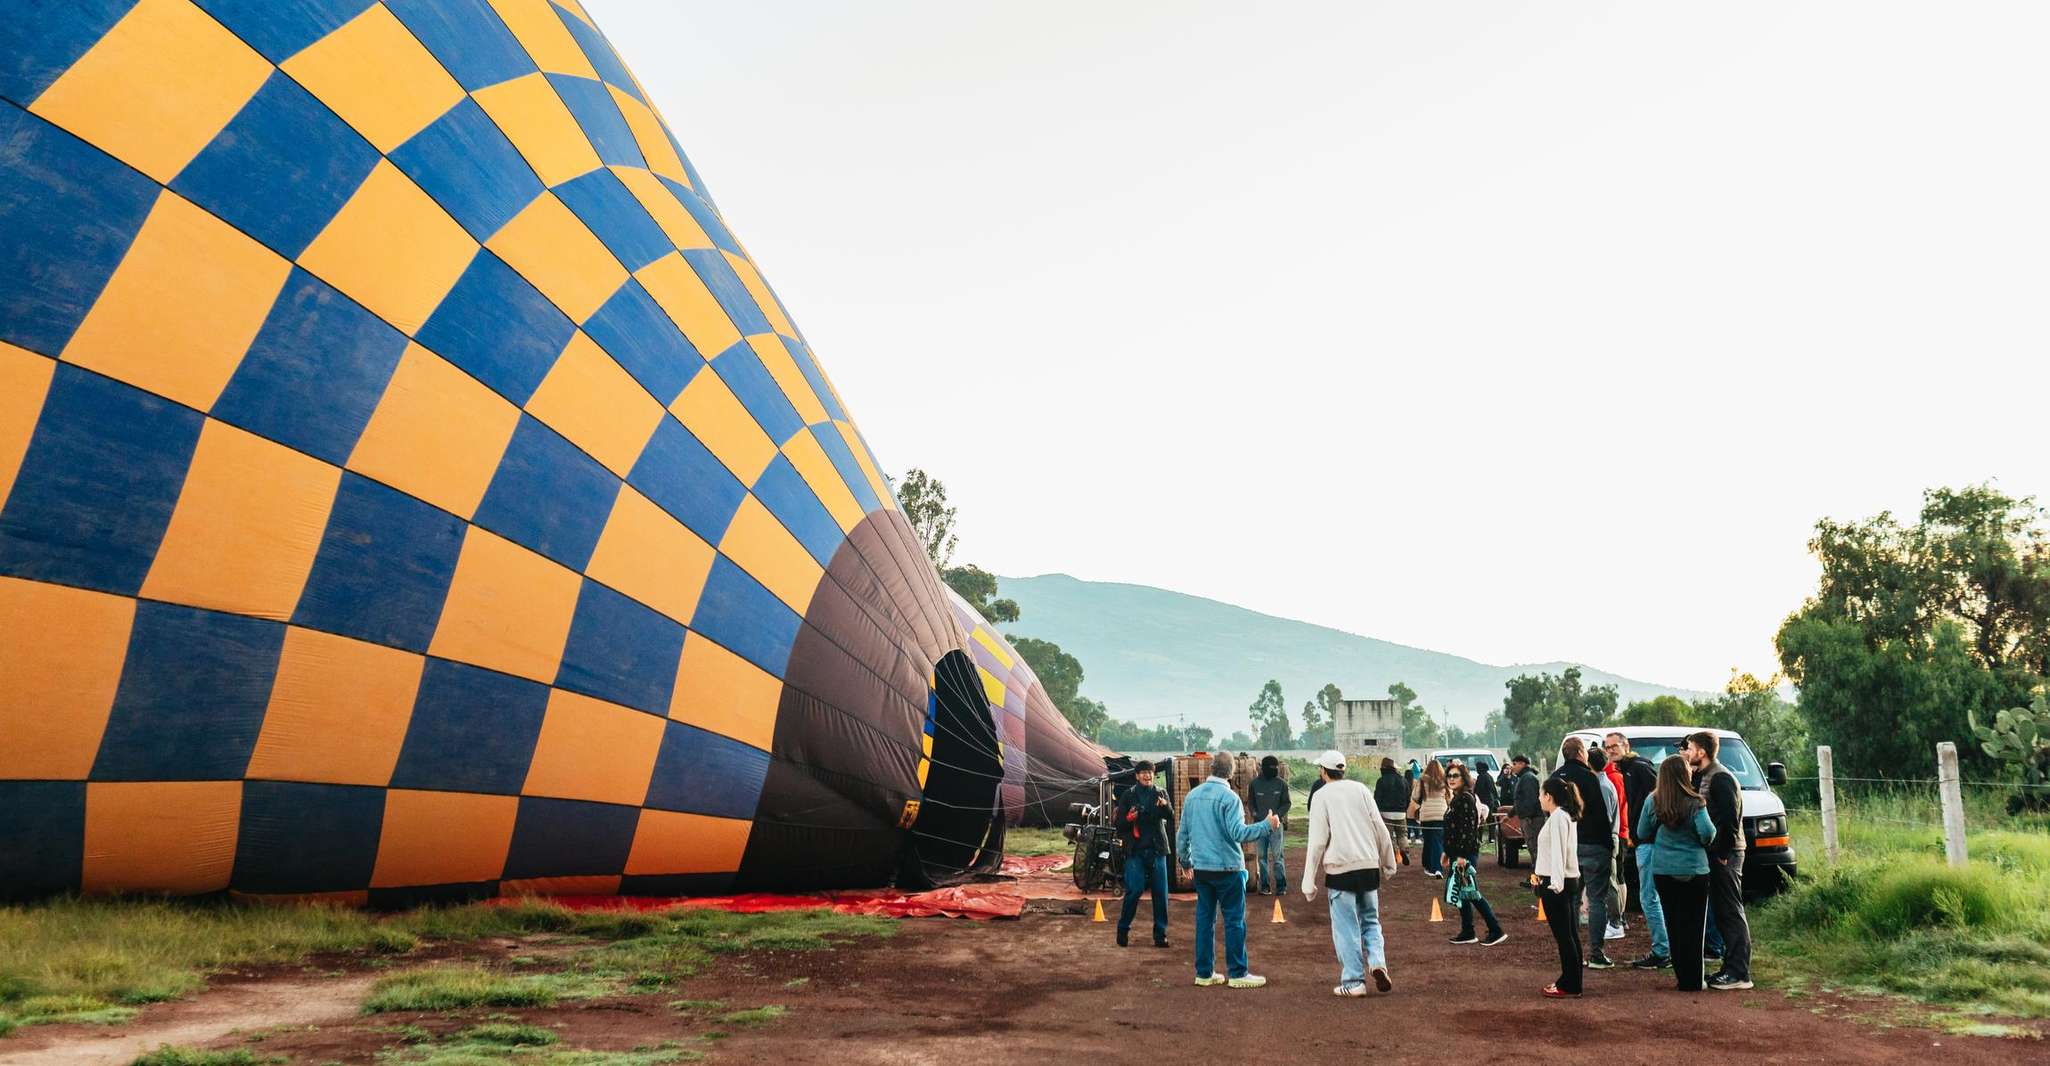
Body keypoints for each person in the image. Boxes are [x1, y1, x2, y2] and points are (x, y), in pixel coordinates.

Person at [1301, 750, 1400, 997]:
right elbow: (1380, 828)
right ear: (1342, 770)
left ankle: (1354, 980)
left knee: (1346, 927)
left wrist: (1308, 881)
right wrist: (1389, 863)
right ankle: (1377, 961)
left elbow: (1317, 842)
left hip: (1340, 870)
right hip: (1368, 866)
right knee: (1370, 921)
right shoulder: (1361, 789)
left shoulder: (1321, 796)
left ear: (1323, 771)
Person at [1177, 751, 1280, 988]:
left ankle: (1204, 972)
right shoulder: (1230, 798)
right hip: (1228, 869)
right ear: (1231, 772)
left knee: (1205, 920)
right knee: (1234, 920)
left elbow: (1182, 834)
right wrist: (1267, 825)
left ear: (1211, 768)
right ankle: (1237, 972)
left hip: (1202, 869)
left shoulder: (1192, 797)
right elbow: (1239, 833)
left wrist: (1185, 862)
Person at [1638, 754, 1716, 991]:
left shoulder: (1654, 801)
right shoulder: (1696, 802)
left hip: (1664, 869)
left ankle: (1682, 977)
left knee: (1674, 923)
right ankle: (1694, 980)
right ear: (1685, 774)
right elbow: (1708, 833)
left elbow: (1642, 831)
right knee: (1695, 926)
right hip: (1695, 868)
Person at [1682, 731, 1753, 990]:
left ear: (1701, 751)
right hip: (1716, 853)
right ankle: (1730, 967)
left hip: (1728, 854)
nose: (1687, 752)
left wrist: (1722, 854)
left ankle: (1739, 973)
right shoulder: (1704, 776)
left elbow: (1730, 819)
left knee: (1730, 911)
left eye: (1689, 748)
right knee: (1722, 912)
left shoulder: (1721, 777)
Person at [1551, 738, 1616, 968]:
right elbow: (1600, 815)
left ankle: (1572, 951)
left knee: (1570, 899)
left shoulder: (1554, 778)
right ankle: (1596, 953)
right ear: (1580, 753)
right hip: (1593, 845)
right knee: (1597, 899)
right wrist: (1608, 845)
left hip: (1568, 846)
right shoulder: (1589, 777)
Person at [1605, 733, 1667, 970]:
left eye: (1615, 746)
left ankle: (1662, 951)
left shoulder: (1639, 767)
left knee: (1649, 898)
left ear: (1626, 746)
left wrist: (1646, 829)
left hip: (1649, 842)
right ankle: (1664, 948)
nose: (1611, 750)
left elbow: (1660, 797)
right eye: (1607, 747)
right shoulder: (1627, 769)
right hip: (1641, 840)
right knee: (1650, 897)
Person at [1440, 763, 1507, 946]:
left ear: (1464, 778)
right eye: (1449, 776)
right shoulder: (1457, 798)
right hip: (1458, 853)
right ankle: (1468, 931)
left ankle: (1496, 929)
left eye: (1456, 776)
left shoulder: (1466, 799)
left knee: (1472, 893)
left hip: (1466, 854)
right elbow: (1453, 830)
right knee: (1463, 894)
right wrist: (1448, 851)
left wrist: (1461, 856)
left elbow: (1468, 830)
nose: (1451, 779)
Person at [1113, 760, 1172, 948]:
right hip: (1136, 851)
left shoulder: (1161, 792)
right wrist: (1129, 819)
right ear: (1137, 775)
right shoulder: (1128, 796)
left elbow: (1170, 816)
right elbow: (1120, 825)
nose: (1148, 776)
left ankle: (1160, 935)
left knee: (1160, 894)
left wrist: (1164, 806)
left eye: (1150, 772)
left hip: (1157, 850)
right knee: (1135, 890)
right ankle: (1123, 929)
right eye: (1144, 772)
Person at [1533, 777, 1583, 998]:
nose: (1539, 799)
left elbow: (1558, 853)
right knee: (1569, 934)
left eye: (1541, 794)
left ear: (1549, 796)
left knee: (1565, 935)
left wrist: (1555, 884)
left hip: (1557, 883)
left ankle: (1569, 983)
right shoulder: (1563, 816)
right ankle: (1571, 980)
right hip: (1564, 880)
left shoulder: (1558, 818)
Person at [1587, 748, 1627, 943]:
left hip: (1607, 839)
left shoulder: (1602, 785)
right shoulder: (1603, 782)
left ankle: (1615, 923)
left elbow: (1605, 818)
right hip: (1609, 837)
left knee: (1610, 883)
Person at [1250, 755, 1292, 895]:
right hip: (1260, 826)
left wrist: (1277, 816)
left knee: (1277, 856)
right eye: (1271, 768)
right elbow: (1251, 803)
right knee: (1261, 857)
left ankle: (1281, 886)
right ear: (1263, 768)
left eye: (1276, 768)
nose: (1274, 770)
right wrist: (1256, 815)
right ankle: (1265, 886)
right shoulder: (1254, 784)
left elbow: (1287, 803)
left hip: (1276, 826)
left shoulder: (1281, 784)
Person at [1411, 760, 1449, 878]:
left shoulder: (1422, 780)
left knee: (1428, 840)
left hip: (1426, 815)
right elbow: (1450, 797)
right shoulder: (1445, 780)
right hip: (1441, 814)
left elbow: (1415, 796)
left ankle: (1431, 867)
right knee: (1438, 840)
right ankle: (1437, 866)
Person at [1374, 758, 1411, 866]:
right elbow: (1408, 796)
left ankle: (1395, 853)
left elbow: (1377, 798)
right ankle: (1404, 851)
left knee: (1388, 836)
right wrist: (1404, 808)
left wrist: (1378, 810)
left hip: (1386, 813)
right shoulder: (1402, 780)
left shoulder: (1381, 781)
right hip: (1401, 813)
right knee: (1402, 834)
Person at [1510, 755, 1543, 867]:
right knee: (1532, 847)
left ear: (1522, 764)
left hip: (1532, 819)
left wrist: (1528, 817)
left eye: (1514, 764)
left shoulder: (1528, 778)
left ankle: (1539, 877)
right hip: (1529, 818)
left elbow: (1531, 800)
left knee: (1535, 848)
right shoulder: (1524, 777)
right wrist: (1510, 815)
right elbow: (1520, 801)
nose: (1512, 767)